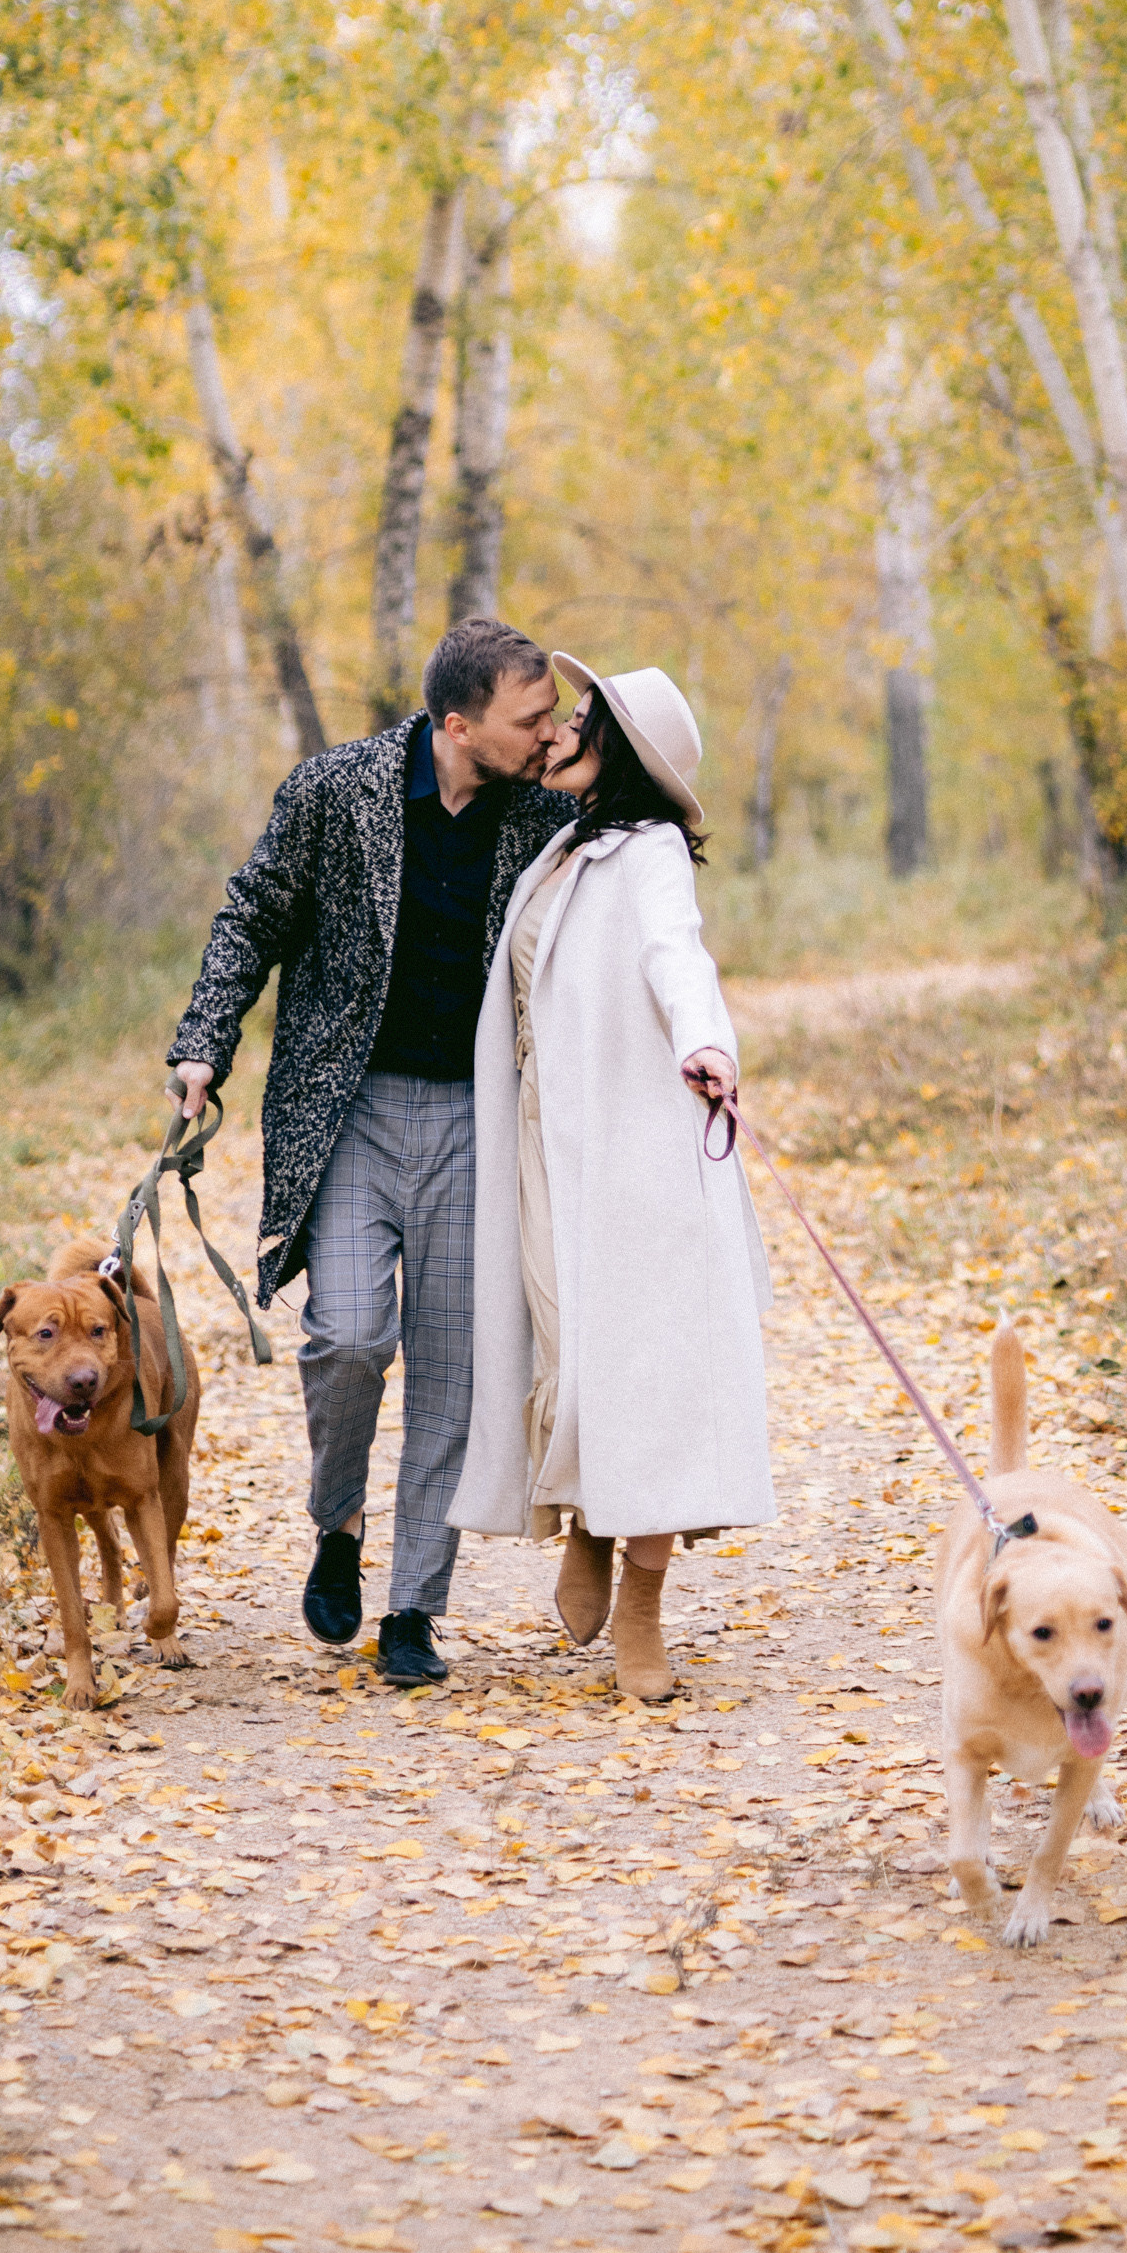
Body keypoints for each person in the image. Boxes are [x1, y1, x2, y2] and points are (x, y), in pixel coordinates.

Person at [168, 616, 575, 1685]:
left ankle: (413, 1610)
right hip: (346, 1113)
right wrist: (203, 1047)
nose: (549, 733)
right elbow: (252, 915)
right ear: (457, 723)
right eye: (530, 718)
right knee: (348, 1337)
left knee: (452, 1369)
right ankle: (337, 1522)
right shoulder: (334, 792)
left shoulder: (542, 815)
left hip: (475, 1119)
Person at [453, 656, 775, 1702]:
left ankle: (641, 1602)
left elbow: (677, 955)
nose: (561, 730)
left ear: (622, 753)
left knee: (649, 1371)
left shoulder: (651, 854)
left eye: (582, 720)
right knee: (564, 1345)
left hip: (638, 1153)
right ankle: (584, 1520)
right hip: (553, 1144)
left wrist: (705, 1042)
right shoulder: (562, 847)